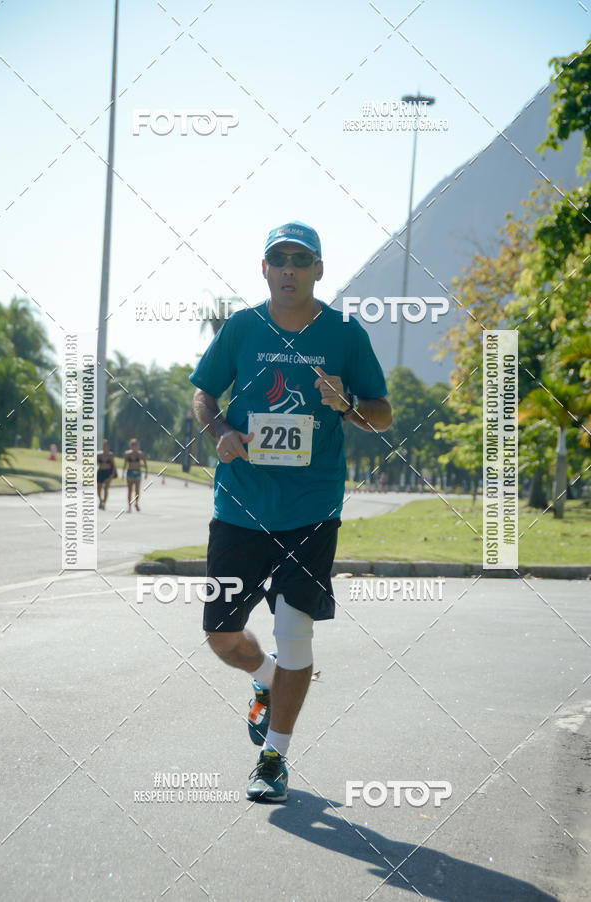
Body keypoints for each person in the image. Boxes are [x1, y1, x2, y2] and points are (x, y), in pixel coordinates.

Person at [190, 221, 392, 803]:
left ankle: (274, 756)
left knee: (294, 632)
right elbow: (204, 391)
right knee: (221, 636)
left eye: (300, 260)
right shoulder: (242, 327)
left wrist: (348, 403)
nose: (288, 269)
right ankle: (267, 678)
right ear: (264, 269)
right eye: (278, 259)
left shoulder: (346, 334)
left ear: (318, 271)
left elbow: (380, 414)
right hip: (241, 504)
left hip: (311, 508)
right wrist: (221, 428)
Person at [123, 438, 148, 512]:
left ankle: (136, 503)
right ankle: (129, 506)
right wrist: (123, 474)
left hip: (137, 473)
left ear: (138, 445)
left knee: (137, 490)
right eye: (133, 445)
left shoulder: (140, 454)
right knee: (130, 490)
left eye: (136, 445)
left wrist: (146, 472)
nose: (134, 446)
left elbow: (145, 462)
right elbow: (125, 464)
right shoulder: (127, 454)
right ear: (130, 446)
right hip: (130, 472)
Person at [97, 439, 117, 509]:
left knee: (106, 488)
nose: (105, 447)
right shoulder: (99, 454)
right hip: (100, 472)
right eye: (104, 445)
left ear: (108, 446)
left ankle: (104, 503)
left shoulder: (110, 455)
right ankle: (100, 500)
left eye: (106, 445)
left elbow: (114, 466)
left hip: (108, 472)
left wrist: (112, 475)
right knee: (99, 488)